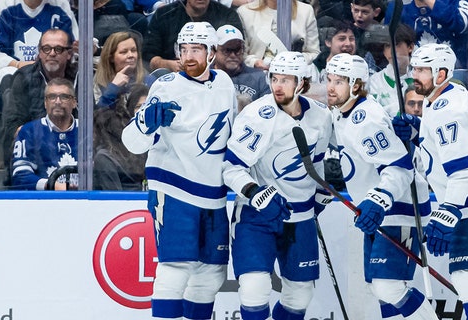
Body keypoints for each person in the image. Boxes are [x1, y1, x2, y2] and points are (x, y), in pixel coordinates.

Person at [122, 21, 236, 319]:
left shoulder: (224, 83)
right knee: (175, 269)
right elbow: (132, 143)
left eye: (196, 49)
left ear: (212, 52)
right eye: (183, 49)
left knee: (211, 274)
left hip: (215, 195)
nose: (188, 56)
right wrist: (146, 123)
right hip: (175, 190)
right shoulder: (166, 86)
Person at [394, 43, 468, 319]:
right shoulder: (443, 96)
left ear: (441, 74)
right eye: (414, 68)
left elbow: (465, 169)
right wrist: (416, 130)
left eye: (422, 70)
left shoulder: (449, 110)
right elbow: (444, 146)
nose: (415, 74)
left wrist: (447, 211)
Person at [221, 51, 332, 320]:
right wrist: (254, 192)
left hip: (301, 216)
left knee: (300, 294)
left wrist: (322, 190)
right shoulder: (258, 115)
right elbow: (231, 167)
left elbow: (316, 163)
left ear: (303, 83)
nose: (277, 86)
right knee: (254, 288)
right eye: (274, 78)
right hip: (256, 215)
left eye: (286, 80)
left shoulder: (321, 116)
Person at [326, 53, 436, 319]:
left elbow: (400, 168)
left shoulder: (366, 119)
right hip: (378, 208)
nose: (330, 87)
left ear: (355, 85)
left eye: (338, 81)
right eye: (329, 79)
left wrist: (378, 201)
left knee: (388, 287)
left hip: (398, 207)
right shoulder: (342, 115)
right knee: (382, 289)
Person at [3, 29, 77, 175]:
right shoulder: (23, 77)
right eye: (46, 49)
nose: (52, 53)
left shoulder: (80, 77)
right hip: (36, 148)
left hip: (73, 147)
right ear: (40, 53)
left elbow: (92, 122)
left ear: (69, 54)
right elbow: (12, 126)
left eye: (58, 49)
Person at [10, 78, 78, 190]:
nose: (57, 101)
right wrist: (52, 186)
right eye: (52, 97)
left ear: (74, 102)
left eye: (64, 97)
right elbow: (20, 176)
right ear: (45, 103)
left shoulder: (87, 131)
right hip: (42, 202)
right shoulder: (29, 131)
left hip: (85, 201)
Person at [143, 0, 243, 72]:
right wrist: (166, 64)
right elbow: (148, 55)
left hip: (217, 73)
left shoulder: (227, 15)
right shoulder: (163, 15)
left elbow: (237, 48)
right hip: (172, 74)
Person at [237, 0, 320, 70]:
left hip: (294, 72)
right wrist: (255, 62)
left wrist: (295, 61)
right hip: (257, 73)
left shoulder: (306, 11)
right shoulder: (245, 12)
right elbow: (241, 53)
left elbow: (313, 52)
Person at [385, 0, 468, 68]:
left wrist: (430, 1)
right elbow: (390, 43)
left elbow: (463, 25)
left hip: (454, 71)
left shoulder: (456, 2)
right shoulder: (397, 6)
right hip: (411, 73)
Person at [93, 84, 148, 191]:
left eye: (147, 106)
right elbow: (115, 203)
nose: (144, 111)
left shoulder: (158, 146)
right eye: (139, 106)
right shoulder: (107, 158)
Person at [214, 24, 270, 110]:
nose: (233, 55)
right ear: (214, 51)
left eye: (237, 49)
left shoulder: (260, 77)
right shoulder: (205, 77)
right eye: (227, 50)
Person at [367, 23, 416, 117]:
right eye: (387, 46)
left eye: (396, 44)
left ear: (410, 47)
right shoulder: (374, 82)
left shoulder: (422, 78)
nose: (392, 51)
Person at [94, 31, 147, 110]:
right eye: (124, 52)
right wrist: (113, 88)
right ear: (111, 57)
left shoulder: (148, 81)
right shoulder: (97, 82)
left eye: (133, 50)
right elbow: (98, 116)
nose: (131, 55)